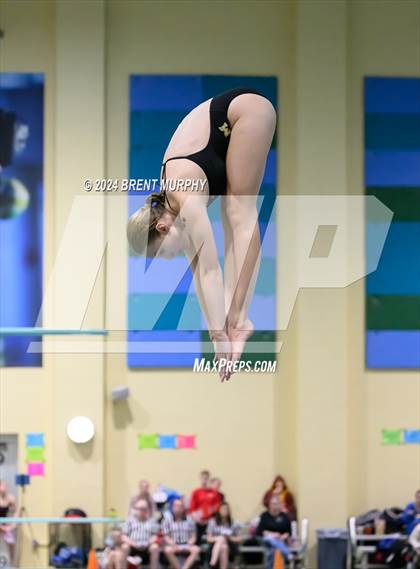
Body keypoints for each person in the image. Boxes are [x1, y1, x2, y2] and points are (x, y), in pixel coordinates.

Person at [127, 87, 277, 381]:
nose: (170, 260)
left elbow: (212, 272)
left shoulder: (185, 196)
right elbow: (200, 276)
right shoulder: (176, 215)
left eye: (163, 254)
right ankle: (239, 321)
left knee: (238, 212)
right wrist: (216, 333)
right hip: (218, 138)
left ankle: (241, 320)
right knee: (229, 215)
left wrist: (222, 332)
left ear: (162, 228)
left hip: (244, 110)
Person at [110, 498, 159, 569]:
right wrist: (133, 544)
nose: (142, 511)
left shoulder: (152, 521)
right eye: (140, 509)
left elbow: (155, 536)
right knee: (124, 547)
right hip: (132, 546)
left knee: (155, 547)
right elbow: (123, 536)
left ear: (147, 510)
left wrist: (149, 542)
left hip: (147, 546)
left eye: (144, 509)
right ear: (136, 509)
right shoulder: (130, 520)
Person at [162, 498, 200, 569]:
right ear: (172, 507)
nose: (178, 508)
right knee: (167, 550)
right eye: (176, 506)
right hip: (174, 544)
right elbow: (166, 536)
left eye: (180, 506)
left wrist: (190, 543)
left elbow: (193, 535)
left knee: (196, 549)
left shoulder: (189, 519)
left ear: (183, 508)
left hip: (186, 544)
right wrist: (172, 544)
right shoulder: (167, 520)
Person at [257, 496, 292, 567]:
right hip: (267, 541)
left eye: (276, 504)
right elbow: (260, 531)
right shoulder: (264, 516)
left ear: (279, 505)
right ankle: (287, 554)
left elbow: (289, 532)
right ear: (269, 505)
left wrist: (282, 537)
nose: (274, 506)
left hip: (281, 540)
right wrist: (272, 534)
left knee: (274, 550)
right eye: (272, 504)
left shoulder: (284, 516)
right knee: (271, 539)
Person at [189, 470, 221, 544]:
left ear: (209, 480)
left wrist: (208, 518)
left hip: (210, 521)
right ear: (200, 479)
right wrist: (198, 519)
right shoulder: (196, 492)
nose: (204, 480)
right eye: (203, 478)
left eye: (206, 478)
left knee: (208, 539)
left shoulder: (214, 493)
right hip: (198, 521)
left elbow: (217, 507)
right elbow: (192, 509)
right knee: (196, 538)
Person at [207, 502, 242, 569]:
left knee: (223, 541)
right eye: (223, 509)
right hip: (215, 546)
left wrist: (229, 538)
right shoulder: (213, 522)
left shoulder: (233, 523)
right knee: (223, 546)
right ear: (219, 510)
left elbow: (239, 538)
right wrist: (218, 538)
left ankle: (212, 563)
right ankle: (215, 563)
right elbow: (208, 538)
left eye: (226, 509)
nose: (225, 511)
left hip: (231, 546)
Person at [0, 480, 17, 563]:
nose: (5, 487)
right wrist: (1, 527)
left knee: (11, 544)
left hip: (5, 524)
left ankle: (12, 564)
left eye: (6, 486)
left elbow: (16, 512)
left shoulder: (10, 498)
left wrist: (12, 525)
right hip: (1, 525)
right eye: (3, 485)